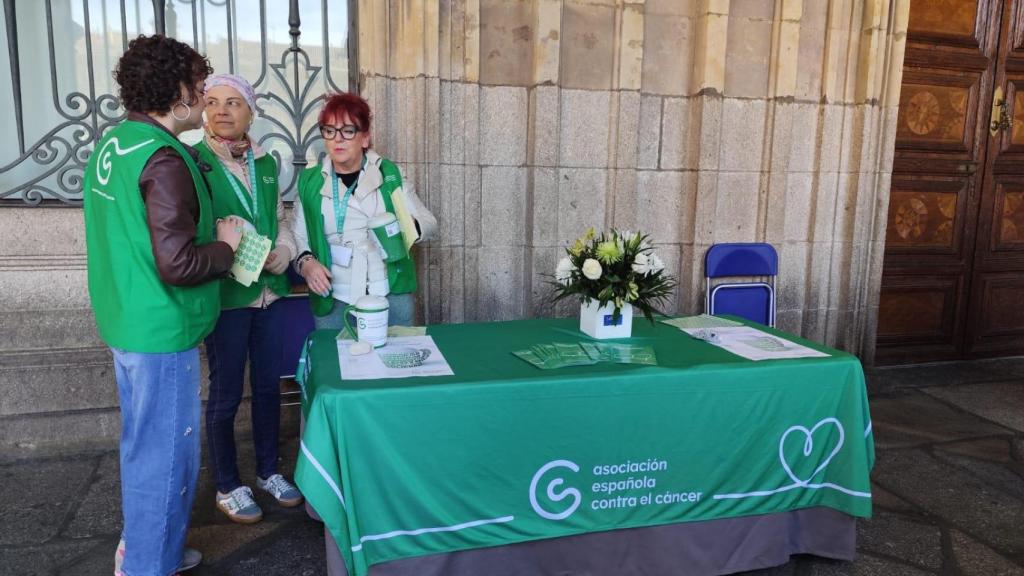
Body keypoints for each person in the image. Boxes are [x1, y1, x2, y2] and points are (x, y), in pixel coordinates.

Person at [83, 35, 243, 575]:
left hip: (125, 318)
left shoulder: (117, 141)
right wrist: (226, 246)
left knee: (142, 446)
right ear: (175, 91)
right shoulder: (166, 158)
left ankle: (155, 548)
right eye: (199, 87)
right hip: (159, 328)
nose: (203, 98)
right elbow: (178, 264)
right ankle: (150, 565)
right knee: (166, 456)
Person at [195, 73, 303, 524]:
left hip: (268, 294)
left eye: (234, 102)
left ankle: (265, 471)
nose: (222, 110)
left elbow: (279, 217)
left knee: (266, 387)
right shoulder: (193, 160)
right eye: (214, 101)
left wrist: (284, 250)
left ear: (250, 113)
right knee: (224, 393)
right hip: (227, 296)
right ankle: (226, 483)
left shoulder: (264, 161)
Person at [293, 92, 437, 328]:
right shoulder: (310, 181)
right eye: (330, 130)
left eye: (348, 131)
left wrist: (407, 227)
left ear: (365, 138)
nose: (338, 139)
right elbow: (299, 236)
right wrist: (307, 263)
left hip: (389, 292)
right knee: (335, 362)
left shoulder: (390, 175)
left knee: (395, 361)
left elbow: (429, 223)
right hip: (333, 296)